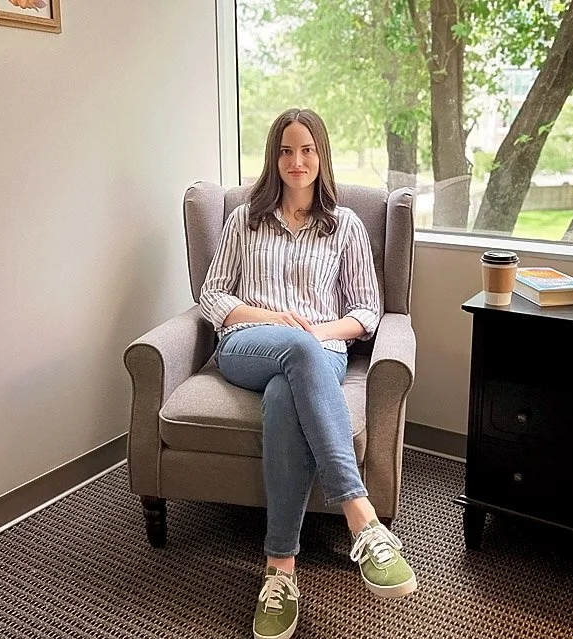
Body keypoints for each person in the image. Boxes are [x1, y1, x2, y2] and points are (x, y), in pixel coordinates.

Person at [198, 108, 417, 639]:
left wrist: (318, 333)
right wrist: (276, 320)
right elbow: (211, 296)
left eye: (308, 150)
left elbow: (367, 311)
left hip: (322, 350)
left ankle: (280, 571)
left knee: (282, 397)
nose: (298, 161)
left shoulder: (345, 225)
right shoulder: (241, 220)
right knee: (291, 352)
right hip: (247, 344)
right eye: (286, 150)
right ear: (275, 158)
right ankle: (359, 514)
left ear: (322, 155)